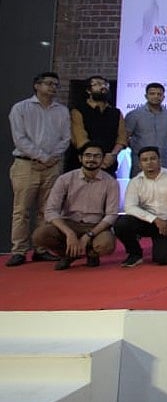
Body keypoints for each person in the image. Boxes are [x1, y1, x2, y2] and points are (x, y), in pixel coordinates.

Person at [6, 72, 71, 267]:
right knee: (21, 210)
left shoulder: (62, 110)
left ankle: (41, 249)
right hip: (26, 164)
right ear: (37, 85)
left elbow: (66, 138)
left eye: (56, 85)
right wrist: (42, 157)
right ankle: (19, 250)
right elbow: (20, 139)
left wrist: (51, 159)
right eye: (49, 83)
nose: (53, 88)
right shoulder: (21, 108)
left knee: (47, 209)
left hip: (52, 166)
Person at [32, 141, 119, 270]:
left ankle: (91, 252)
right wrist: (69, 233)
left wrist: (88, 235)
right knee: (40, 235)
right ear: (80, 158)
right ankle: (68, 253)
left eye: (96, 156)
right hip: (69, 223)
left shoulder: (111, 182)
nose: (92, 159)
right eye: (88, 155)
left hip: (95, 226)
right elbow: (50, 211)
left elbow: (111, 215)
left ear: (102, 159)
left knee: (106, 244)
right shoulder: (65, 179)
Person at [114, 146, 167, 267]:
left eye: (153, 159)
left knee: (163, 259)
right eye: (145, 160)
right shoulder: (135, 182)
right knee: (122, 223)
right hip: (146, 222)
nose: (149, 162)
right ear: (140, 164)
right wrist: (155, 220)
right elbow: (129, 207)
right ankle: (135, 253)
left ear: (159, 160)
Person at [67, 75, 128, 176]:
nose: (103, 87)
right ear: (88, 90)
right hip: (84, 164)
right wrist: (97, 157)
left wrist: (113, 155)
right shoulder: (78, 110)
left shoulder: (116, 113)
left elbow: (122, 138)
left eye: (105, 84)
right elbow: (80, 139)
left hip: (109, 164)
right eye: (98, 84)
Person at [124, 82, 167, 178]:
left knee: (164, 185)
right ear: (146, 96)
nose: (156, 96)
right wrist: (138, 148)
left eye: (159, 94)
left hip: (162, 160)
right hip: (140, 162)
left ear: (163, 97)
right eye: (152, 94)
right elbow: (124, 137)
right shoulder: (134, 115)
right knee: (139, 185)